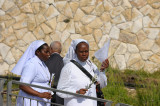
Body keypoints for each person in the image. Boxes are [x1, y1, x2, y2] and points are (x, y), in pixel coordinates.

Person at [57, 39, 109, 106]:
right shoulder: (69, 67)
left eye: (86, 51)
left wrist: (102, 71)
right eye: (81, 52)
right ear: (75, 52)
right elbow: (60, 90)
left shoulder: (92, 66)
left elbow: (102, 85)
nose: (84, 54)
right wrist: (76, 92)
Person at [11, 40, 52, 106]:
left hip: (40, 100)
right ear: (38, 52)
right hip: (31, 100)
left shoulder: (42, 63)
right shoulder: (31, 64)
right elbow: (23, 85)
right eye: (46, 52)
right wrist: (40, 94)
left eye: (49, 52)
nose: (49, 54)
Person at [45, 41, 64, 106]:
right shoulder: (64, 62)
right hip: (60, 95)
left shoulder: (45, 62)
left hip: (47, 94)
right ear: (60, 51)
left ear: (50, 49)